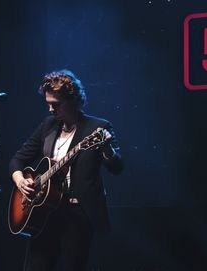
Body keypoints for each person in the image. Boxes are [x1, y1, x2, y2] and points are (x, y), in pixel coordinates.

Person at [9, 69, 123, 271]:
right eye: (48, 104)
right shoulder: (48, 125)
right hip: (44, 213)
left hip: (77, 215)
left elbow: (116, 167)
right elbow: (18, 159)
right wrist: (20, 180)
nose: (51, 110)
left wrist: (106, 149)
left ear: (74, 101)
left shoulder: (98, 127)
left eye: (56, 104)